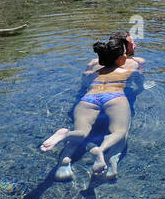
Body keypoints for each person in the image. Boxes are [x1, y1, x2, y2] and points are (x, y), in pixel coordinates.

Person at [41, 34, 137, 180]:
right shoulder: (130, 67)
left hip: (90, 97)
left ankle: (65, 134)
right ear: (120, 58)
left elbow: (83, 85)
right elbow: (138, 85)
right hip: (114, 96)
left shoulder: (94, 70)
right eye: (124, 53)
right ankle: (101, 149)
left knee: (81, 132)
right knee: (120, 131)